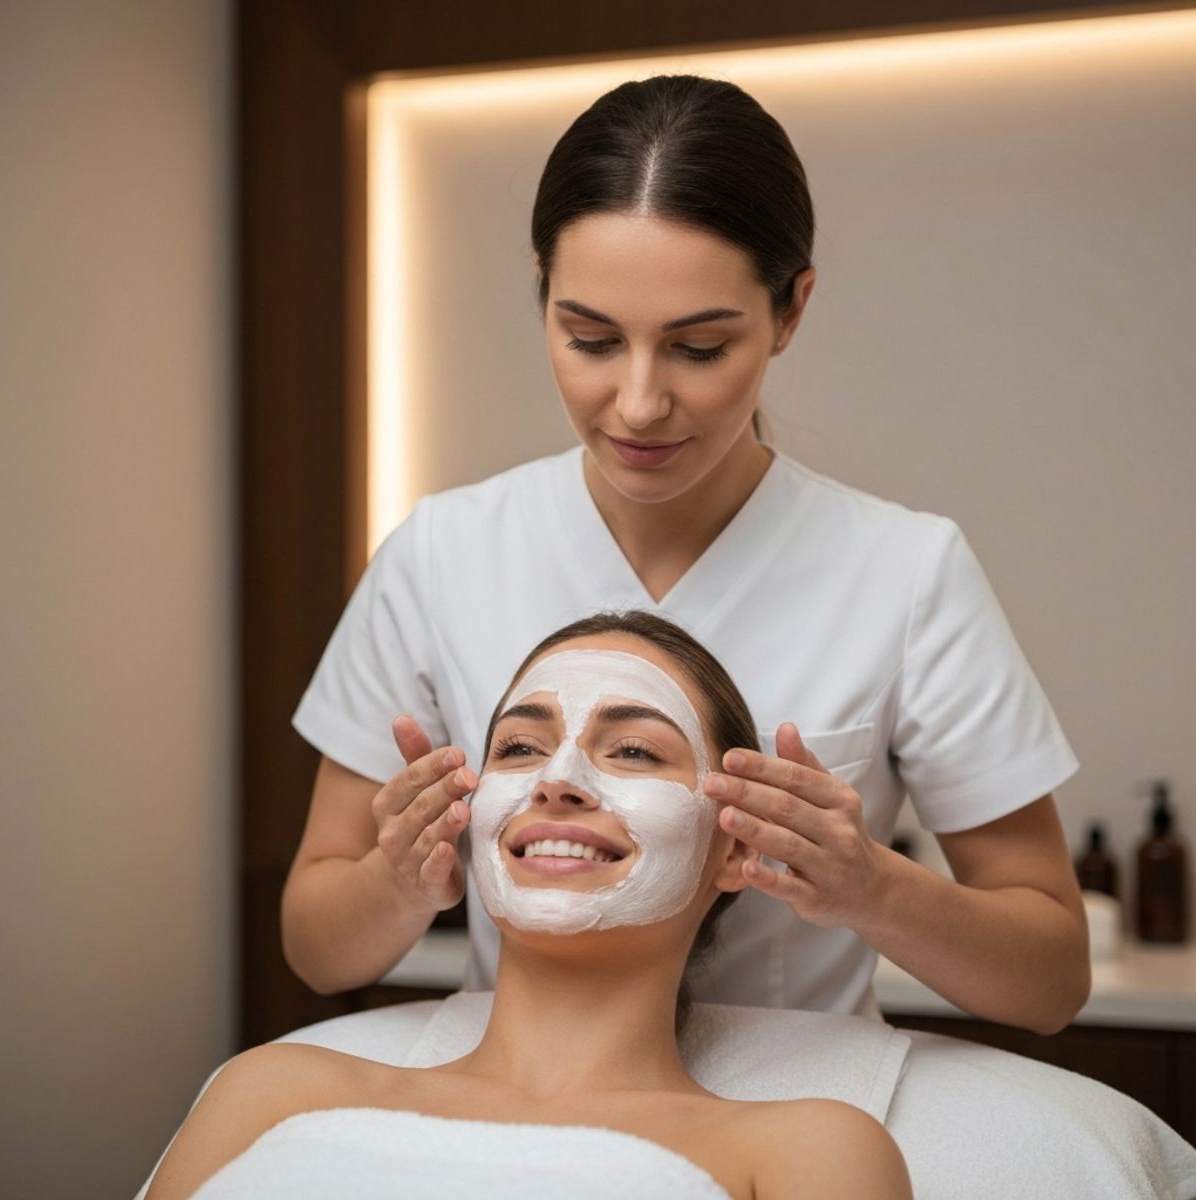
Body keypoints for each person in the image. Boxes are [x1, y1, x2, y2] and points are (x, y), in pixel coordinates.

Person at [284, 74, 1089, 1032]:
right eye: (588, 338)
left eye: (698, 349)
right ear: (543, 299)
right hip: (522, 1112)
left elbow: (1051, 980)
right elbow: (315, 944)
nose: (636, 404)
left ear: (791, 312)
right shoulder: (442, 552)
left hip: (793, 1120)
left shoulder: (905, 572)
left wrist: (869, 887)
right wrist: (399, 882)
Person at [146, 615, 913, 1199]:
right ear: (467, 817)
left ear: (736, 849)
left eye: (635, 751)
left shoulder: (808, 1153)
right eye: (518, 748)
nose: (559, 777)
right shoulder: (270, 1091)